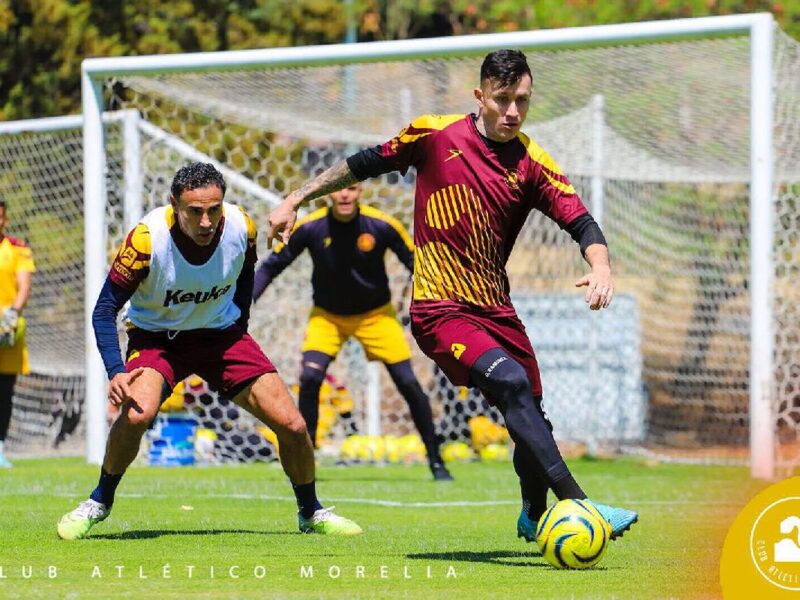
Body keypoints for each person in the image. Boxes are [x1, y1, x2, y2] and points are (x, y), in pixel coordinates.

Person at [267, 50, 638, 543]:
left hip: (497, 310)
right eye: (502, 100)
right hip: (439, 310)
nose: (512, 112)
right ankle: (581, 505)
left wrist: (601, 266)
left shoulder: (532, 163)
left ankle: (532, 514)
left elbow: (581, 222)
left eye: (522, 102)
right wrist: (296, 198)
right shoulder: (434, 135)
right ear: (480, 96)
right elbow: (361, 164)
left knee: (530, 413)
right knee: (509, 384)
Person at [57, 162, 361, 540]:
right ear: (174, 205)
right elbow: (104, 310)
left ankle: (310, 512)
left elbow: (246, 275)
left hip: (221, 336)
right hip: (157, 339)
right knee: (137, 416)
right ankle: (99, 502)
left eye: (214, 210)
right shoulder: (145, 240)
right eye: (195, 211)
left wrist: (239, 328)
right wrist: (116, 371)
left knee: (294, 426)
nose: (206, 221)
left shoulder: (241, 227)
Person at [253, 183, 453, 481]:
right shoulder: (310, 228)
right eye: (339, 190)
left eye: (352, 189)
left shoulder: (382, 225)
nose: (345, 195)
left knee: (408, 382)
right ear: (329, 194)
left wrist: (435, 300)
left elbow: (417, 264)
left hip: (377, 317)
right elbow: (272, 266)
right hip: (328, 318)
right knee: (310, 379)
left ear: (360, 192)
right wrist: (246, 301)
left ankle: (436, 461)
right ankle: (307, 461)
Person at [0, 201, 35, 468]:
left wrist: (11, 314)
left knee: (3, 391)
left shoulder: (18, 249)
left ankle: (0, 447)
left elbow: (24, 286)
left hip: (7, 330)